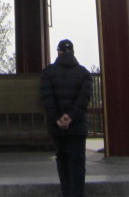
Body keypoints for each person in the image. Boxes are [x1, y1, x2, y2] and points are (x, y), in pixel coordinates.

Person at [40, 38, 93, 197]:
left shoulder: (48, 72)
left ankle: (66, 192)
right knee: (77, 162)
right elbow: (84, 99)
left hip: (57, 126)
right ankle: (76, 194)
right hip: (77, 126)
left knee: (62, 160)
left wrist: (57, 118)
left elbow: (47, 97)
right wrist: (71, 117)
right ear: (73, 52)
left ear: (59, 52)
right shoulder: (84, 73)